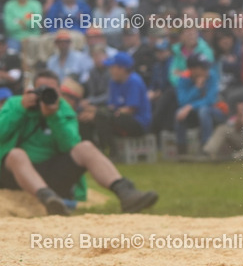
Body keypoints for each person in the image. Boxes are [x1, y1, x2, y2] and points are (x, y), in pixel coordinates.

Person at [0, 70, 157, 215]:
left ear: (58, 92)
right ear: (32, 89)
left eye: (50, 90)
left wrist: (53, 117)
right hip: (14, 174)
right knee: (16, 154)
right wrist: (21, 109)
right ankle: (47, 198)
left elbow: (69, 145)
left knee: (85, 147)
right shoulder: (15, 104)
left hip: (53, 172)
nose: (44, 94)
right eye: (41, 89)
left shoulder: (62, 109)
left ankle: (125, 192)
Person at [94, 52, 152, 156]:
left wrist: (111, 113)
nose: (110, 70)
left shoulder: (134, 81)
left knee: (106, 116)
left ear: (122, 69)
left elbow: (130, 109)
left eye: (112, 67)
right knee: (97, 116)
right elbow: (111, 106)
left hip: (138, 122)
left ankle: (111, 152)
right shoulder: (113, 82)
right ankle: (102, 150)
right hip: (119, 117)